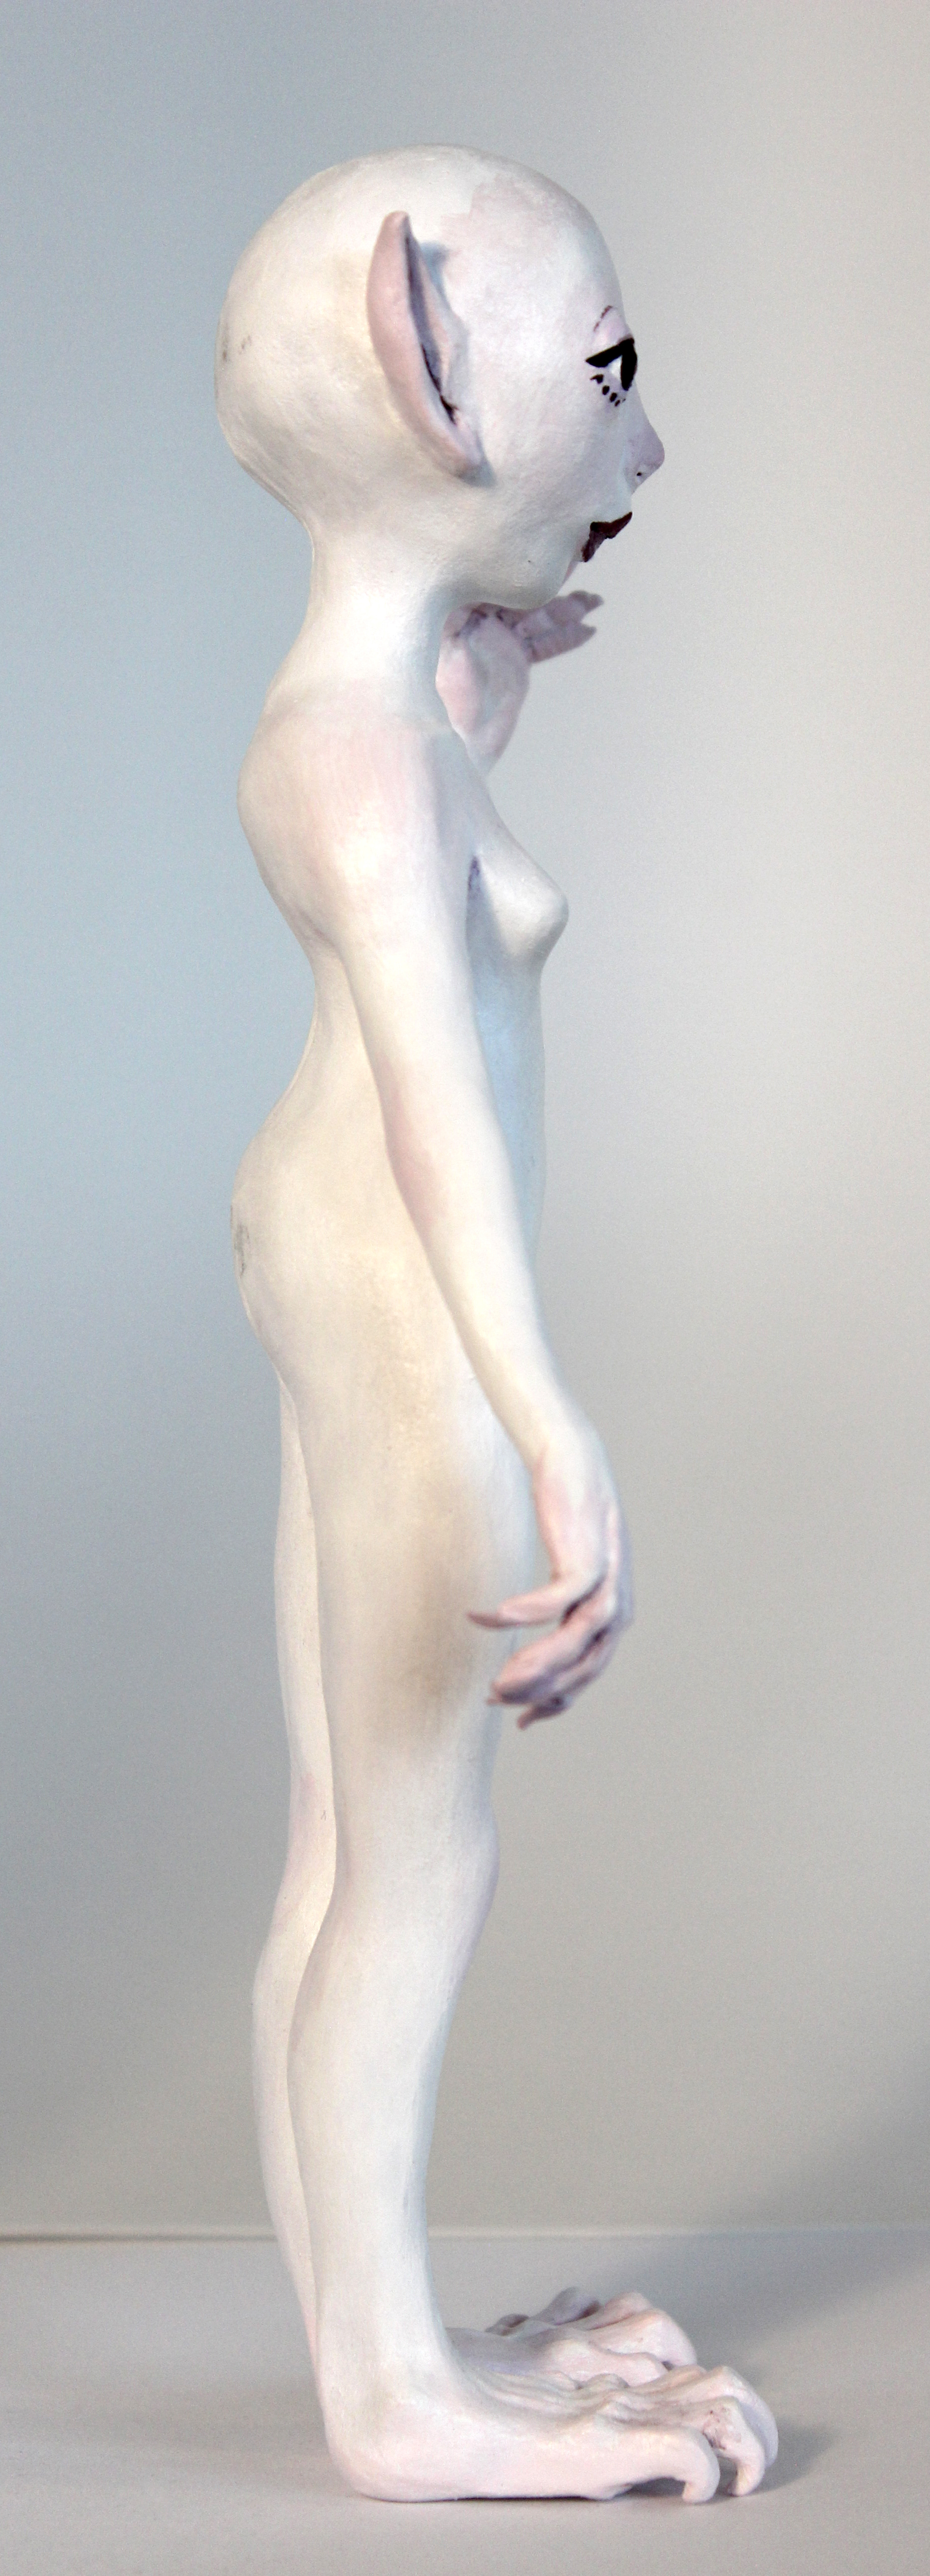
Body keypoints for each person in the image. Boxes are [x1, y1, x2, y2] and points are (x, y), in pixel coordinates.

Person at [217, 146, 776, 2503]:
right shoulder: (361, 761)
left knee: (345, 1832)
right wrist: (550, 1423)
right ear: (440, 387)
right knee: (418, 1854)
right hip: (402, 1305)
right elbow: (439, 1105)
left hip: (335, 1265)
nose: (642, 440)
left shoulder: (372, 720)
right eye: (606, 377)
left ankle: (385, 2340)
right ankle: (401, 2407)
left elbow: (431, 931)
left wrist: (486, 692)